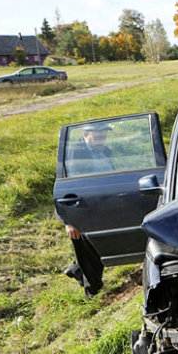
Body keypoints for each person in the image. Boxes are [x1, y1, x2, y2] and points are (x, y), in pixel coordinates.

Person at [60, 122, 115, 298]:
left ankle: (76, 269)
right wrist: (68, 221)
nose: (101, 140)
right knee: (86, 251)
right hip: (81, 210)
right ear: (85, 135)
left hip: (102, 207)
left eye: (104, 136)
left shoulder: (106, 152)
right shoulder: (75, 154)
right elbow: (66, 188)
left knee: (100, 246)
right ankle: (92, 294)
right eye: (97, 136)